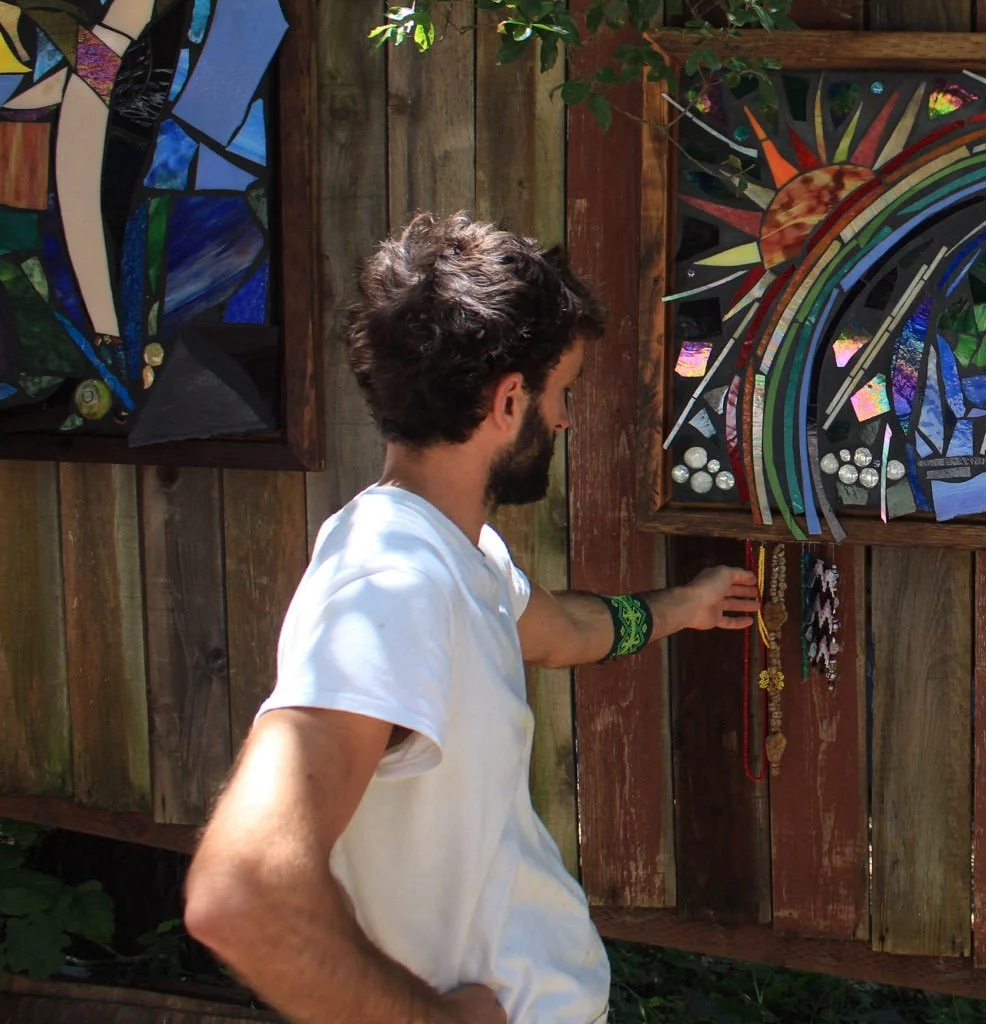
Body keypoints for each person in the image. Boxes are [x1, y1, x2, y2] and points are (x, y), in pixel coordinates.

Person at [184, 213, 760, 1024]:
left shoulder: (462, 556)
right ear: (509, 399)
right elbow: (241, 896)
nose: (564, 420)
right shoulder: (393, 581)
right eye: (563, 394)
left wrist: (685, 607)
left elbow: (559, 633)